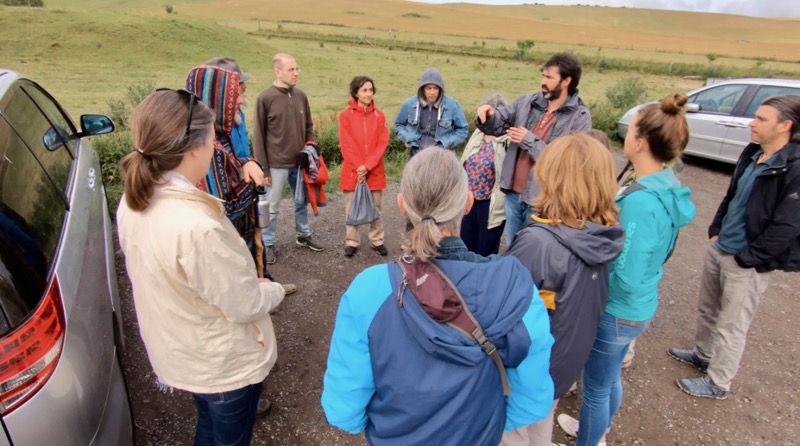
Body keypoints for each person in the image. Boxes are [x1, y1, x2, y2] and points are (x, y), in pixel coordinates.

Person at [321, 148, 554, 446]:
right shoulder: (514, 288)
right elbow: (532, 400)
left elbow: (343, 411)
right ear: (468, 203)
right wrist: (485, 424)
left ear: (402, 206)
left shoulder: (368, 290)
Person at [117, 90, 285, 445]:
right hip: (221, 364)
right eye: (212, 140)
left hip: (182, 348)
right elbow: (244, 304)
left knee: (209, 425)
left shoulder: (134, 201)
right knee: (229, 437)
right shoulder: (196, 228)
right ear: (194, 148)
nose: (215, 148)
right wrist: (274, 289)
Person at [556, 93, 696, 446]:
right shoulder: (664, 185)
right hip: (640, 305)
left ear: (642, 141)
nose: (625, 137)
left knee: (596, 388)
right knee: (609, 379)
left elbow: (626, 271)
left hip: (617, 309)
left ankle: (590, 438)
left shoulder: (640, 203)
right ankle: (598, 429)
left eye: (630, 130)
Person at [669, 94, 800, 399]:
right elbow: (733, 195)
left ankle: (718, 382)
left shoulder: (793, 167)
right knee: (708, 308)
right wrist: (716, 229)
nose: (752, 123)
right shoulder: (753, 153)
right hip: (721, 247)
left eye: (761, 119)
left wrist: (749, 257)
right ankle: (702, 355)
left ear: (785, 126)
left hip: (747, 261)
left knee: (732, 324)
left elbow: (788, 225)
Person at [503, 134, 624, 446]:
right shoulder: (603, 235)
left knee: (512, 434)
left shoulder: (539, 242)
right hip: (562, 366)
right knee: (540, 429)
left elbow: (501, 308)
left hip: (527, 374)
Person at [186, 59, 296, 296]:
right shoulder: (207, 147)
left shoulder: (226, 127)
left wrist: (248, 164)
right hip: (233, 223)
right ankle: (257, 296)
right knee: (237, 266)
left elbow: (237, 156)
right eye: (236, 92)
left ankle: (263, 285)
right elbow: (222, 207)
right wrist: (254, 184)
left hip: (244, 208)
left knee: (253, 251)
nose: (241, 97)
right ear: (221, 97)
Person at [476, 52, 591, 245]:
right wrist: (487, 115)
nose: (543, 81)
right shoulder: (527, 102)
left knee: (535, 252)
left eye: (549, 77)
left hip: (543, 201)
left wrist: (529, 140)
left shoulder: (580, 117)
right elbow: (498, 121)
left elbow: (569, 162)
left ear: (566, 81)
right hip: (513, 195)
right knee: (513, 247)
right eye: (543, 75)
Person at [252, 52, 324, 264]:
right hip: (275, 165)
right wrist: (263, 169)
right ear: (278, 71)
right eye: (291, 69)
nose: (296, 73)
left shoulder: (301, 96)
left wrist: (310, 150)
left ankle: (303, 235)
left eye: (297, 69)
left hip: (299, 163)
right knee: (272, 206)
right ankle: (268, 243)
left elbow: (309, 126)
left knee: (300, 201)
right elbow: (258, 136)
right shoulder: (265, 98)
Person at [338, 75, 390, 257]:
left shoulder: (379, 116)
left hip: (374, 170)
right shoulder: (345, 116)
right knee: (351, 206)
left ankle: (377, 240)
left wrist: (367, 166)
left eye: (370, 90)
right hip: (353, 171)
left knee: (376, 207)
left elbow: (382, 143)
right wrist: (358, 167)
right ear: (356, 92)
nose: (368, 94)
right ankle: (352, 241)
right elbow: (345, 144)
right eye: (364, 90)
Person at [459, 93, 510, 256]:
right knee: (465, 245)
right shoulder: (478, 134)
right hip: (469, 198)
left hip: (490, 202)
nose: (488, 120)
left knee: (486, 248)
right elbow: (464, 160)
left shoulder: (507, 138)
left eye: (492, 116)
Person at [394, 67, 468, 157]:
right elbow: (399, 125)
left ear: (440, 89)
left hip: (442, 156)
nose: (432, 92)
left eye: (436, 88)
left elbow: (463, 130)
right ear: (422, 89)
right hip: (416, 155)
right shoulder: (409, 104)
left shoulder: (453, 105)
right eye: (429, 88)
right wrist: (406, 139)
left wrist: (448, 144)